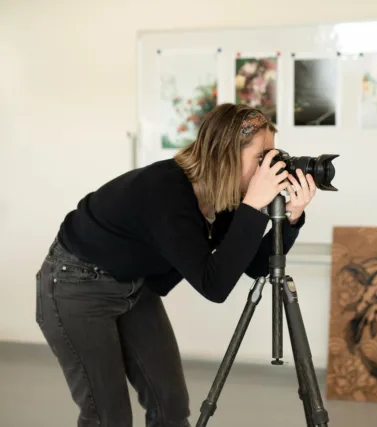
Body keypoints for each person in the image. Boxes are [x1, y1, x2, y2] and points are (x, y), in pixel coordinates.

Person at [35, 103, 317, 427]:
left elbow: (252, 266)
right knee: (107, 416)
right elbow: (214, 286)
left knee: (170, 406)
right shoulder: (165, 191)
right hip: (76, 283)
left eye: (273, 156)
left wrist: (292, 219)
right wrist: (254, 205)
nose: (271, 167)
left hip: (135, 285)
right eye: (261, 158)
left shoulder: (222, 195)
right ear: (224, 154)